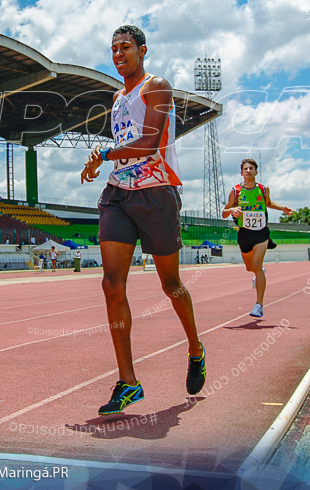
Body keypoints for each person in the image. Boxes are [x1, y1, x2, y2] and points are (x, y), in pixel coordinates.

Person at [80, 24, 205, 415]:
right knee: (111, 283)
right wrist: (103, 160)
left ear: (142, 50)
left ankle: (196, 347)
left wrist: (103, 153)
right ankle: (128, 381)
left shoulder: (157, 86)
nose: (118, 54)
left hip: (156, 193)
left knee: (171, 284)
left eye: (125, 47)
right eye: (113, 48)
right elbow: (122, 145)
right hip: (119, 194)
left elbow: (150, 142)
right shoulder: (117, 98)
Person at [221, 158, 294, 318]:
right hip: (244, 233)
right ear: (241, 173)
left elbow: (268, 203)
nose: (248, 171)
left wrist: (283, 208)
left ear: (256, 172)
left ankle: (259, 305)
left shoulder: (263, 189)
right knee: (250, 268)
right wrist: (233, 210)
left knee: (256, 265)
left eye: (251, 168)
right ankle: (257, 272)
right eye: (245, 169)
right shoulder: (235, 191)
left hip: (261, 232)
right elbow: (224, 212)